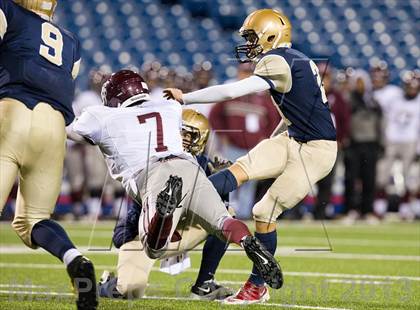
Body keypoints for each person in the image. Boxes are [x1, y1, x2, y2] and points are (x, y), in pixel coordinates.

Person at [164, 9, 337, 304]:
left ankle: (258, 286)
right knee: (237, 170)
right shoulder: (297, 59)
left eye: (252, 37)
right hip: (293, 137)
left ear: (271, 35)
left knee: (262, 211)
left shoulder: (276, 60)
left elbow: (232, 92)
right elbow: (296, 109)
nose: (249, 44)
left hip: (316, 150)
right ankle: (181, 205)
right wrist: (274, 144)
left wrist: (186, 97)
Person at [67, 70, 283, 294]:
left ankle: (164, 223)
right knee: (224, 220)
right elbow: (123, 233)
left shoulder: (102, 116)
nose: (187, 139)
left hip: (151, 174)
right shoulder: (169, 108)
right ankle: (246, 239)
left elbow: (69, 132)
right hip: (186, 168)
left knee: (153, 249)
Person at [0, 1, 97, 309]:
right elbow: (66, 79)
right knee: (34, 220)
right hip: (55, 126)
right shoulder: (71, 40)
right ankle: (75, 259)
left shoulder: (8, 10)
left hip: (11, 112)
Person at [98, 109, 235, 300]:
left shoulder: (204, 165)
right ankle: (108, 285)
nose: (185, 139)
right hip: (146, 235)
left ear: (202, 139)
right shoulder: (156, 160)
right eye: (181, 132)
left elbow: (216, 210)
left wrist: (223, 183)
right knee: (129, 291)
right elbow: (134, 219)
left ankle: (204, 284)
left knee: (227, 216)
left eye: (191, 135)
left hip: (179, 233)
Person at [209, 63, 280, 218]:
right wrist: (224, 136)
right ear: (238, 73)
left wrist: (267, 139)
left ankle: (244, 214)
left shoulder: (263, 98)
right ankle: (227, 214)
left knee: (250, 182)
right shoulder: (231, 95)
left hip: (255, 148)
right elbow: (214, 116)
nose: (247, 75)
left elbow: (274, 121)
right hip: (233, 147)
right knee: (231, 181)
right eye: (244, 72)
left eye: (250, 72)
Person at [375, 71, 420, 219]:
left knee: (409, 177)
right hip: (392, 140)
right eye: (409, 86)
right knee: (382, 175)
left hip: (410, 141)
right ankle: (380, 207)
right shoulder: (394, 98)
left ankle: (406, 209)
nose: (412, 89)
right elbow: (384, 118)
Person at [313, 63, 351, 219]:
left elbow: (344, 120)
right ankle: (296, 212)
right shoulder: (309, 94)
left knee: (327, 181)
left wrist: (340, 139)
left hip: (330, 145)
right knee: (302, 179)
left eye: (326, 77)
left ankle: (320, 212)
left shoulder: (337, 97)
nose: (323, 80)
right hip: (311, 143)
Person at [343, 69, 382, 223]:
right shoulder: (348, 99)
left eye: (362, 82)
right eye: (357, 82)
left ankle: (368, 210)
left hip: (371, 143)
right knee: (351, 178)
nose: (359, 85)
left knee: (369, 179)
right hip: (354, 143)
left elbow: (380, 123)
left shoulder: (373, 101)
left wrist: (381, 142)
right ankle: (350, 209)